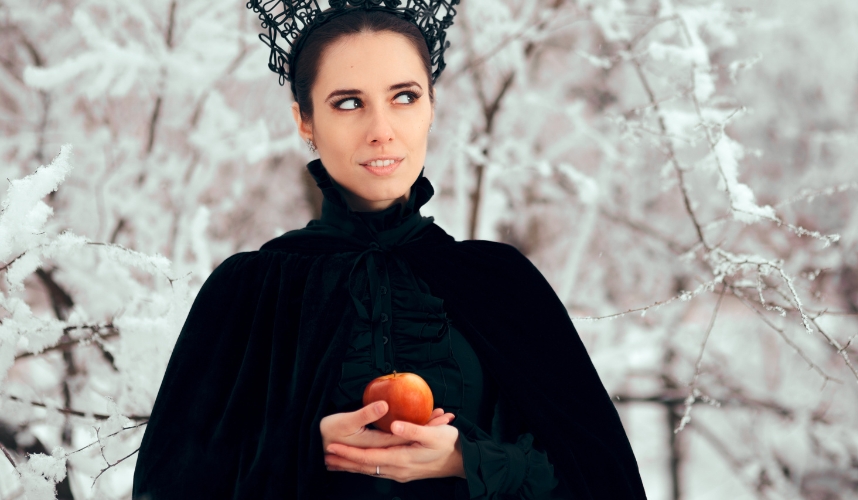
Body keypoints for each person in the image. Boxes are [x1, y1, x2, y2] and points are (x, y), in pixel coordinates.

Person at [132, 2, 646, 499]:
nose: (382, 131)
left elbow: (600, 481)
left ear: (431, 107)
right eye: (349, 103)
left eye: (404, 97)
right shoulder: (250, 291)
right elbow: (172, 486)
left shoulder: (499, 282)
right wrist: (308, 448)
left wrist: (472, 461)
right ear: (304, 120)